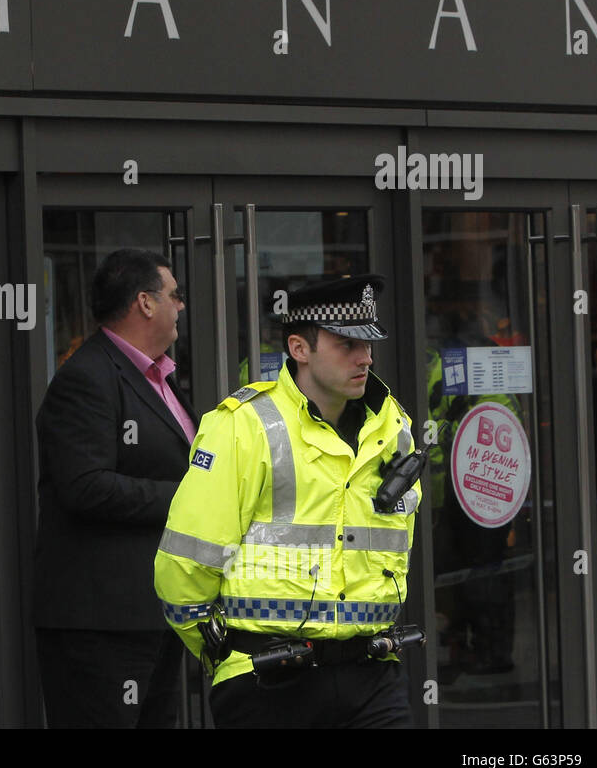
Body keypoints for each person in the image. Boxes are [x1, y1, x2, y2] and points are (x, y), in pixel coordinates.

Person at [156, 274, 421, 728]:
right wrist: (220, 651)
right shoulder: (244, 425)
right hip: (268, 677)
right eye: (346, 344)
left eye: (369, 344)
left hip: (372, 673)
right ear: (300, 349)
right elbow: (185, 563)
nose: (365, 357)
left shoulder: (392, 427)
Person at [34, 248, 196, 727]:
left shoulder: (161, 376)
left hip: (157, 611)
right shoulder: (86, 378)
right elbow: (85, 487)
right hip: (101, 625)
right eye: (174, 295)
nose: (180, 306)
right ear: (145, 303)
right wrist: (189, 499)